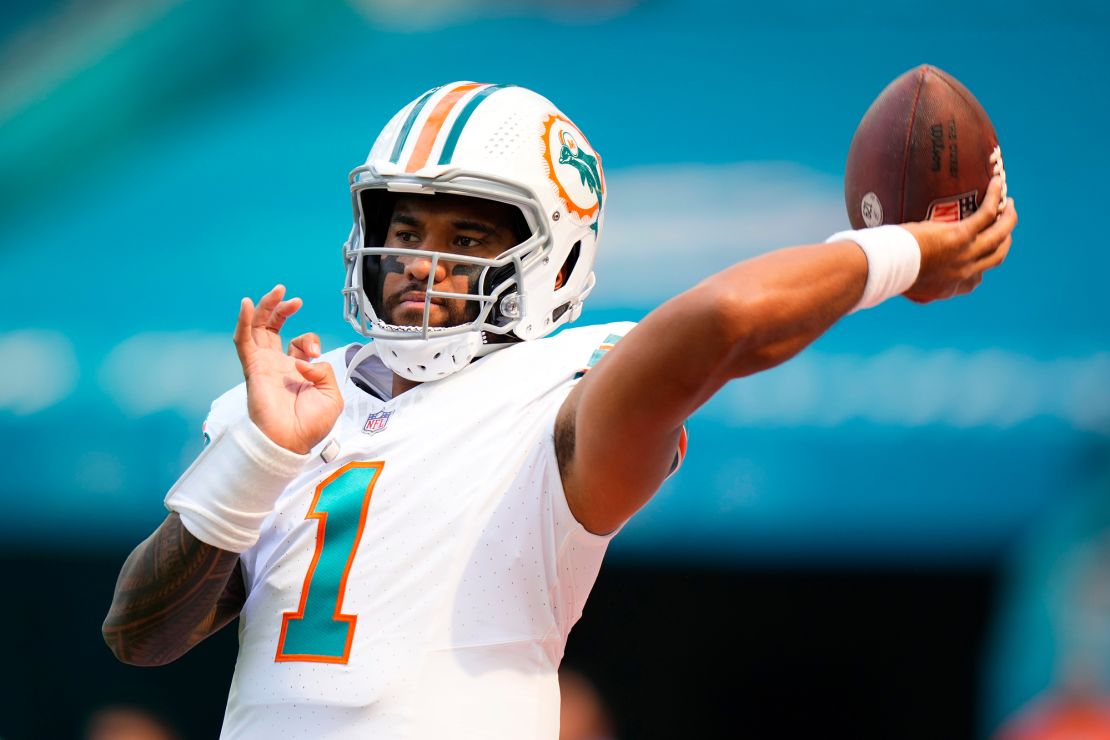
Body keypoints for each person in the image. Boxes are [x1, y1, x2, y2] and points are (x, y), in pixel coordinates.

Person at [102, 82, 1016, 739]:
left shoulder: (562, 394)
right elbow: (140, 637)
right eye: (405, 228)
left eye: (466, 236)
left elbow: (726, 321)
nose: (422, 260)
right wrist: (259, 454)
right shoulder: (296, 397)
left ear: (560, 261)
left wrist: (896, 253)